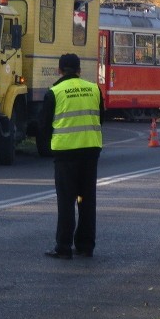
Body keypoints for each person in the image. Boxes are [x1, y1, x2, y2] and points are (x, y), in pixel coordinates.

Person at [39, 53, 104, 259]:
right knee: (86, 200)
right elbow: (100, 118)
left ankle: (64, 247)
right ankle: (86, 246)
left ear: (59, 70)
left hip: (66, 154)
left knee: (66, 201)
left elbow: (44, 126)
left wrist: (49, 147)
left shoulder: (54, 92)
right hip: (90, 151)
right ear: (79, 70)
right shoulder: (94, 89)